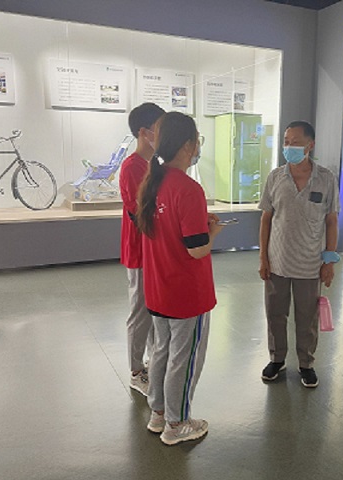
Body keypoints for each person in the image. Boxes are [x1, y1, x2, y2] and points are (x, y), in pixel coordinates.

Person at [136, 111, 224, 445]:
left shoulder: (152, 183)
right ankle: (177, 423)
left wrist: (200, 222)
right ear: (189, 145)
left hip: (158, 289)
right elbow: (197, 249)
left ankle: (158, 414)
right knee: (183, 360)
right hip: (187, 293)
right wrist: (213, 232)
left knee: (161, 352)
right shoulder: (188, 188)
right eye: (197, 139)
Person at [258, 120, 340, 388]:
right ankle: (277, 359)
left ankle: (306, 363)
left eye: (295, 142)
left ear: (310, 145)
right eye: (286, 141)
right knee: (275, 314)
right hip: (277, 261)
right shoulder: (275, 177)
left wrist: (329, 261)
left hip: (310, 263)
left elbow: (331, 221)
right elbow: (266, 219)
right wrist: (263, 258)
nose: (289, 147)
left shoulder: (326, 178)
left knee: (307, 318)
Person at [119, 102, 165, 396]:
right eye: (158, 129)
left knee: (152, 309)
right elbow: (142, 212)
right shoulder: (132, 167)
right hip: (140, 250)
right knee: (140, 311)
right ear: (144, 132)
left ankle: (150, 362)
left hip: (154, 250)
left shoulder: (153, 165)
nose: (162, 135)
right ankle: (136, 371)